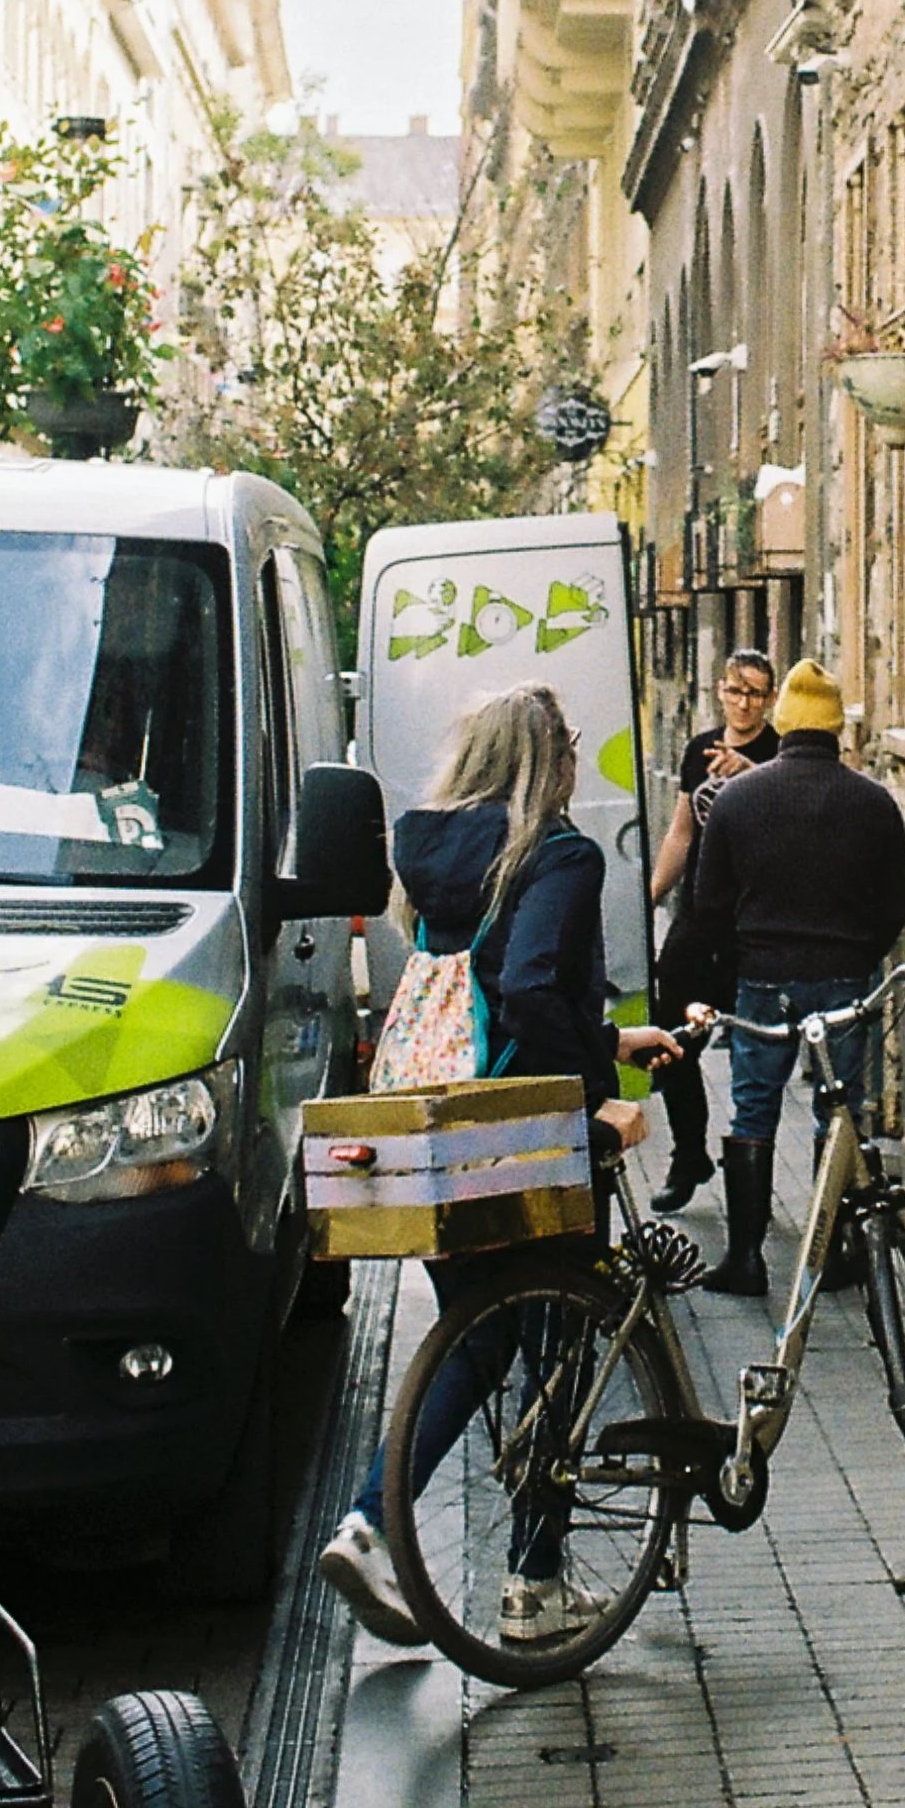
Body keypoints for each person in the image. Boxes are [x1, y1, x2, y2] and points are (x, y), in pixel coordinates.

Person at [319, 685, 679, 1647]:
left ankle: (370, 1524)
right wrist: (596, 1089)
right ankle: (532, 1584)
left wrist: (610, 1032)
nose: (573, 756)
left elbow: (474, 988)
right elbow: (520, 986)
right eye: (566, 742)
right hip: (522, 1133)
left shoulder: (429, 851)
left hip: (441, 1124)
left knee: (478, 1339)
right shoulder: (556, 852)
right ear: (541, 758)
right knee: (556, 1345)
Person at [691, 657, 905, 1294]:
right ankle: (835, 1251)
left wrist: (739, 961)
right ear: (837, 729)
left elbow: (709, 904)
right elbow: (896, 902)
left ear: (782, 722)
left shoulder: (738, 798)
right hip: (845, 978)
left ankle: (746, 1258)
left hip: (763, 976)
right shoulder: (872, 803)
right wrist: (859, 952)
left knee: (753, 1110)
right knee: (838, 1112)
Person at [642, 649, 777, 1211]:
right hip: (697, 915)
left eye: (755, 693)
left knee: (755, 1049)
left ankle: (751, 1174)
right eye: (735, 690)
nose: (743, 703)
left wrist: (752, 776)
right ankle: (688, 1153)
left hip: (753, 921)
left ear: (770, 700)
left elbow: (787, 828)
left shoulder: (777, 754)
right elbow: (681, 832)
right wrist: (649, 898)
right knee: (672, 1039)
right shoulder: (700, 749)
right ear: (719, 692)